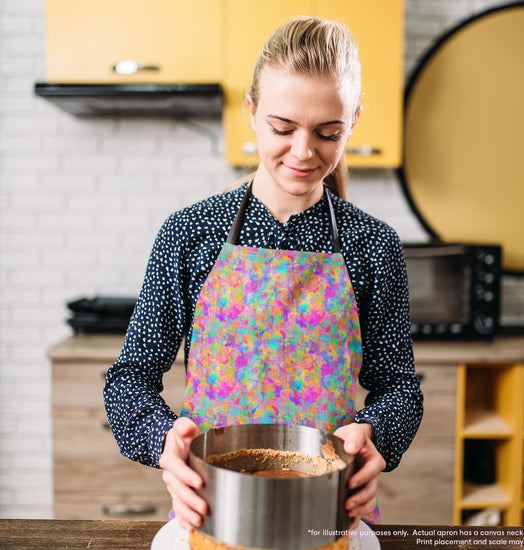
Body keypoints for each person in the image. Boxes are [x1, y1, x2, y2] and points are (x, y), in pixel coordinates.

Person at [104, 15, 423, 532]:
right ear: (251, 113)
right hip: (214, 513)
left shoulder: (373, 246)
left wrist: (377, 437)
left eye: (328, 132)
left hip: (328, 515)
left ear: (354, 122)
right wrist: (165, 442)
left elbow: (399, 388)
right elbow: (129, 381)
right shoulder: (191, 233)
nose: (303, 151)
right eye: (282, 128)